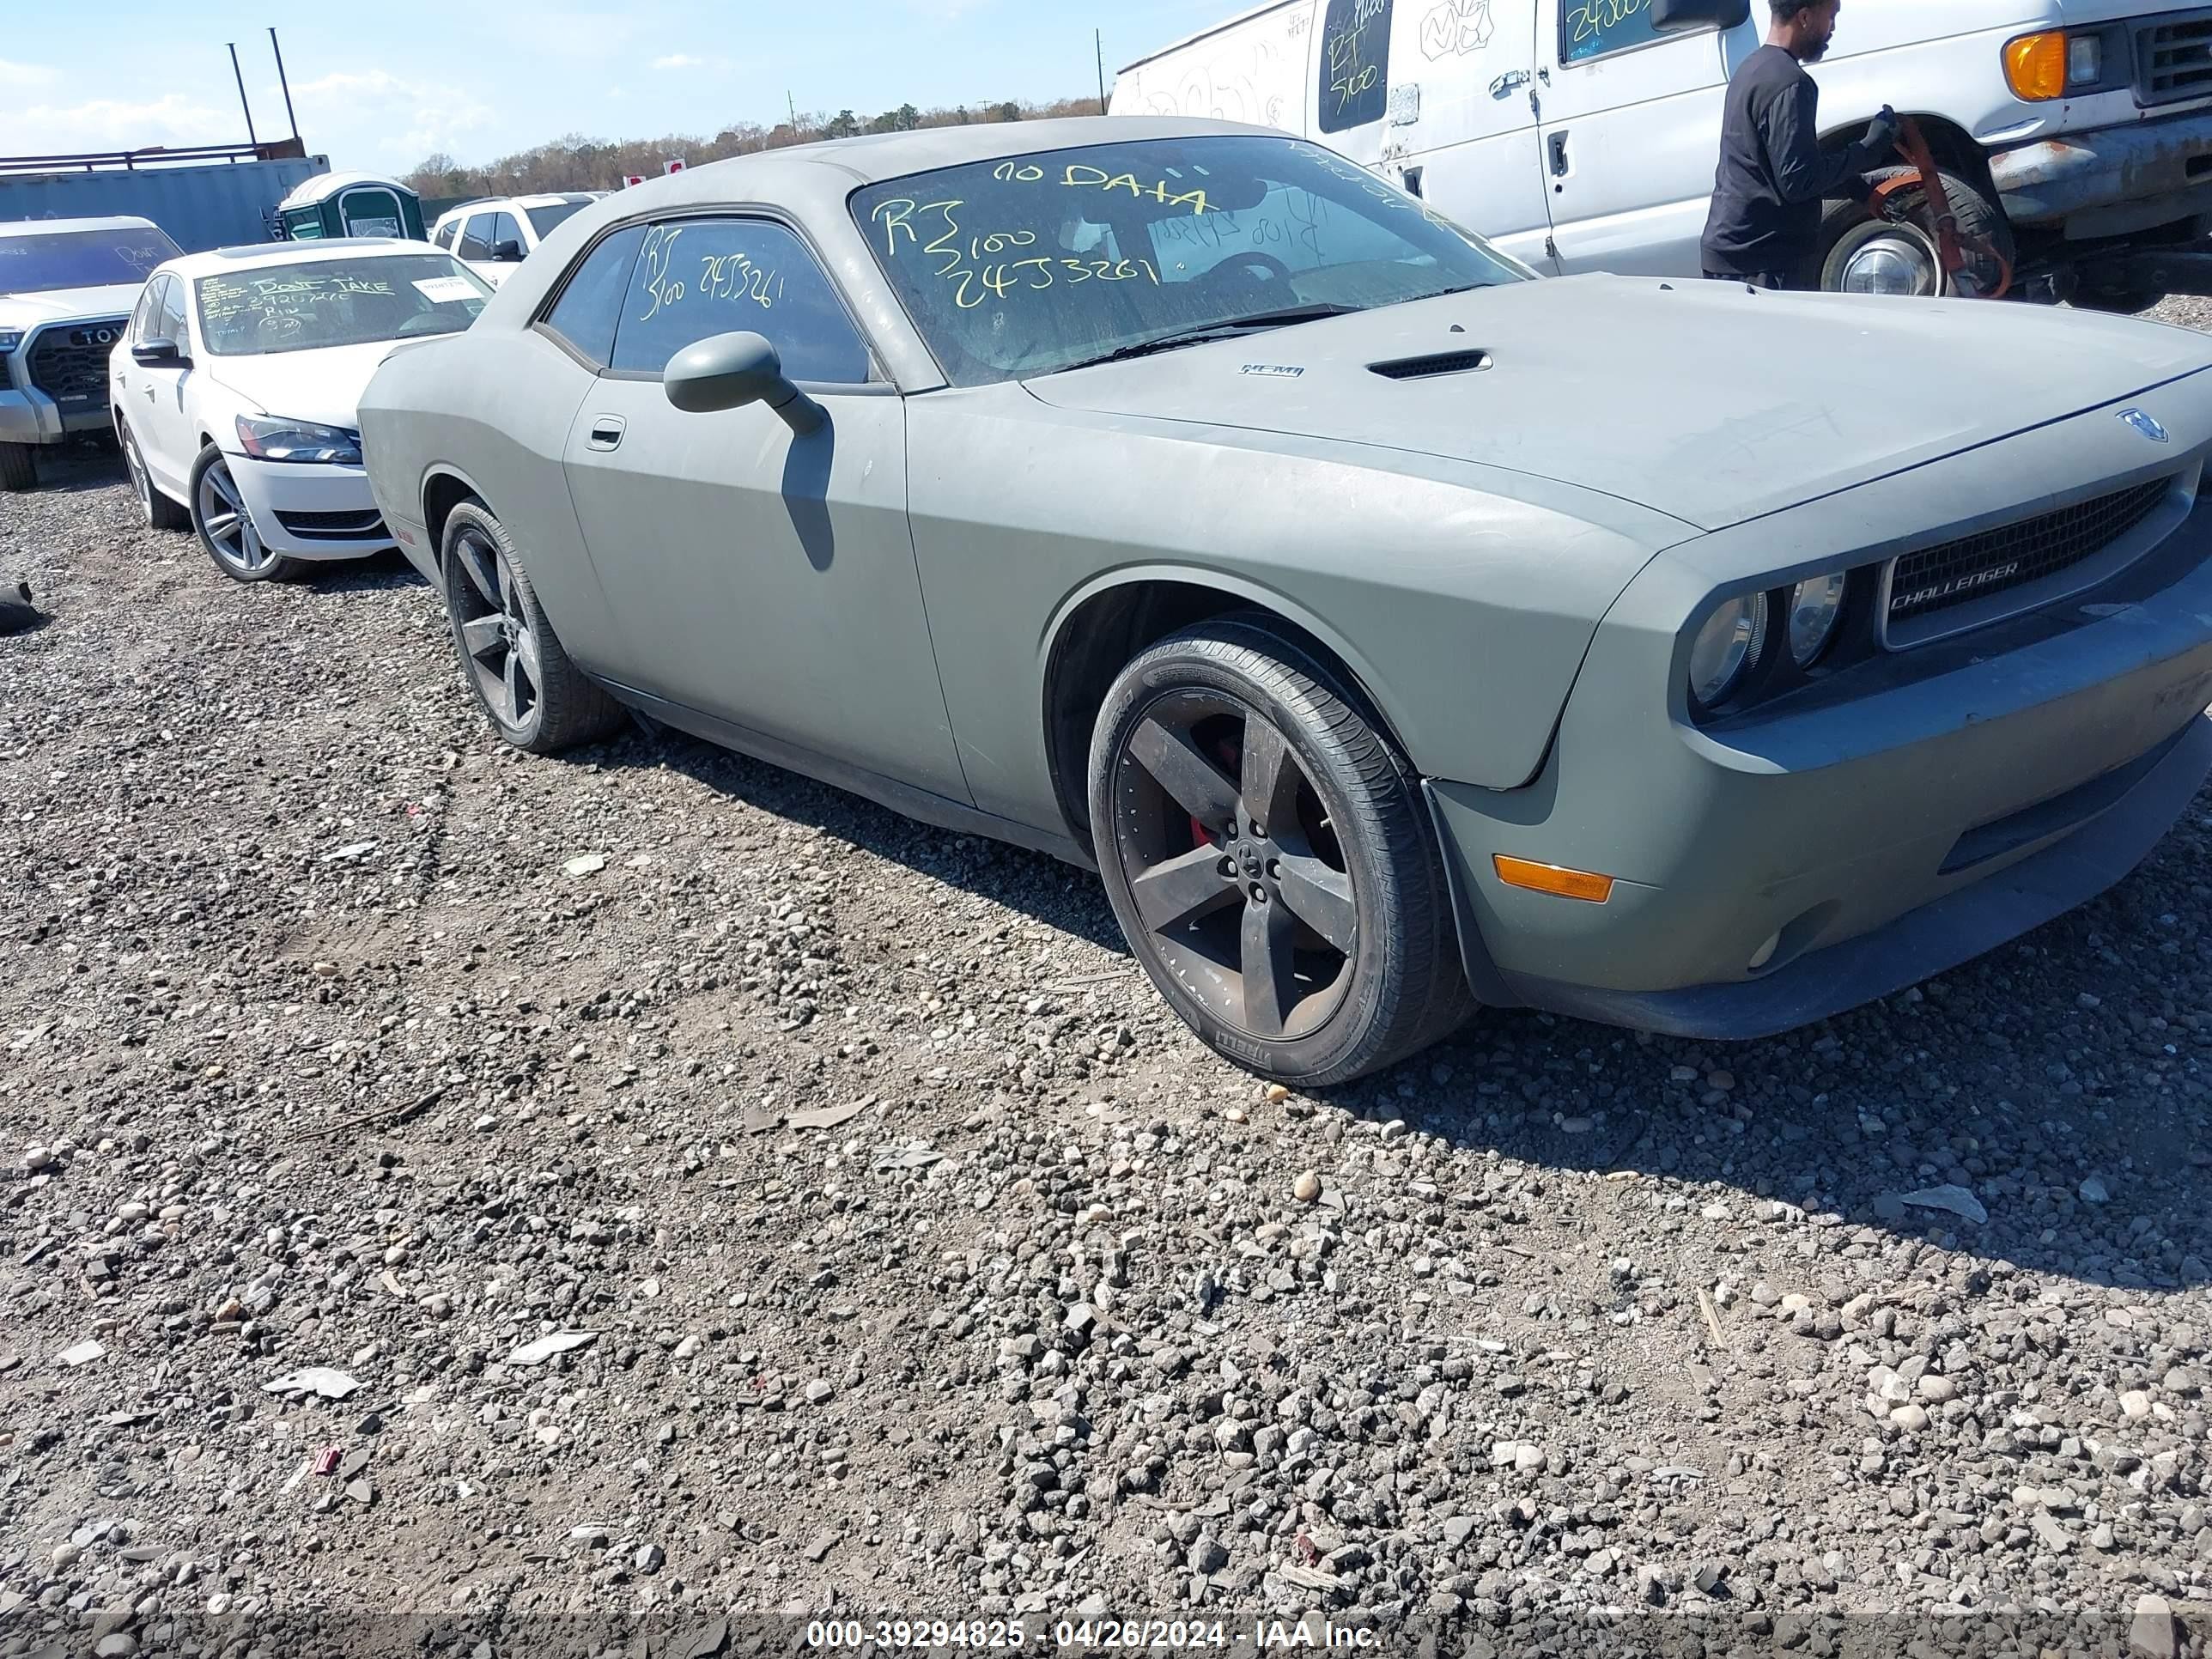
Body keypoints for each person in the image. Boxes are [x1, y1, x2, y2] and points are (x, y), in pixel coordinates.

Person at [1701, 0, 1900, 290]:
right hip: (1761, 265)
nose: (1833, 27)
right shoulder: (1791, 84)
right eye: (1831, 17)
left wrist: (1855, 187)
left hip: (1732, 253)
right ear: (1804, 17)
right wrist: (1869, 148)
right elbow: (1798, 181)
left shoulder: (1752, 69)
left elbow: (1776, 166)